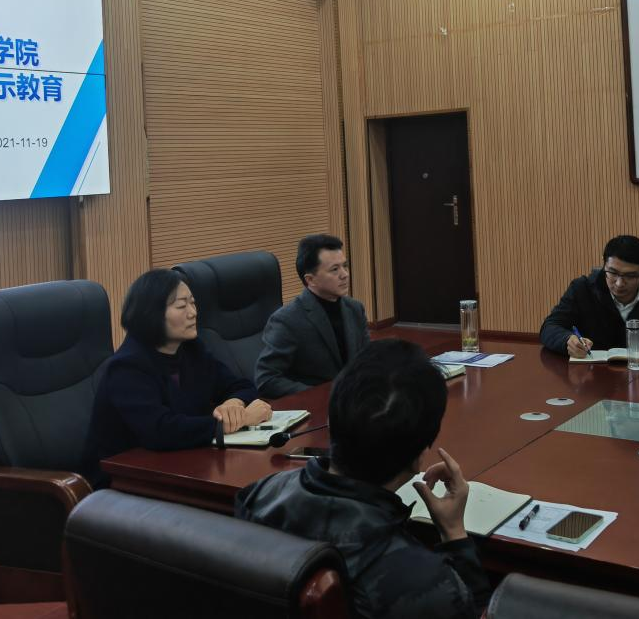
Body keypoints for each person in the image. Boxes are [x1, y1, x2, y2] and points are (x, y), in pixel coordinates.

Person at [236, 339, 491, 619]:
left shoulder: (259, 495)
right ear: (419, 457)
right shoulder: (424, 584)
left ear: (332, 423)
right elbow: (472, 611)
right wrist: (454, 533)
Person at [82, 269, 271, 485]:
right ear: (151, 313)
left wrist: (233, 404)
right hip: (124, 480)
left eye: (193, 303)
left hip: (182, 465)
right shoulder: (126, 367)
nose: (192, 313)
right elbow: (160, 431)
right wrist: (238, 421)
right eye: (181, 306)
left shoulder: (191, 350)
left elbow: (241, 385)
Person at [539, 235, 639, 358]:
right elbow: (550, 327)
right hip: (593, 380)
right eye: (613, 273)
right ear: (604, 264)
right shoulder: (582, 290)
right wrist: (567, 340)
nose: (619, 283)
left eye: (630, 276)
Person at [254, 233, 370, 398]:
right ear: (310, 280)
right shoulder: (287, 320)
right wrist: (319, 394)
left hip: (355, 400)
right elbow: (266, 379)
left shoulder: (355, 309)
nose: (345, 274)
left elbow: (367, 359)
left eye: (345, 266)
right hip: (316, 405)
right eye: (334, 269)